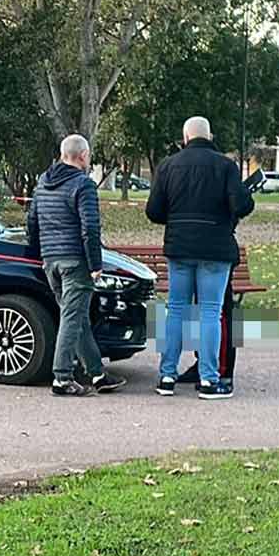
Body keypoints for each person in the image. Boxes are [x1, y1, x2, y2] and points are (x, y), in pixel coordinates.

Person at [145, 116, 253, 400]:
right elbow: (241, 204)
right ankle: (209, 379)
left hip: (179, 247)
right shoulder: (226, 166)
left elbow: (154, 211)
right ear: (211, 135)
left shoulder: (168, 166)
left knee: (176, 310)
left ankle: (167, 376)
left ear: (185, 138)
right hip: (216, 249)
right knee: (210, 313)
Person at [26, 135, 127, 396]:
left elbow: (32, 222)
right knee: (71, 318)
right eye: (89, 155)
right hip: (75, 261)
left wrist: (39, 254)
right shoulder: (83, 185)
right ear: (82, 155)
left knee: (78, 317)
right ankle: (61, 377)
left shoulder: (42, 183)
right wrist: (95, 263)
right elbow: (90, 227)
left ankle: (97, 374)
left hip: (51, 260)